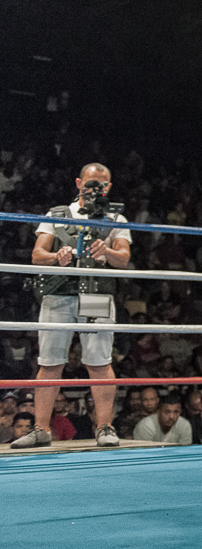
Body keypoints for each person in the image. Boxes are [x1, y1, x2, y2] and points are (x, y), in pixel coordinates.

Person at [14, 163, 131, 448]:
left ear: (109, 187)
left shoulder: (116, 217)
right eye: (91, 183)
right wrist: (58, 256)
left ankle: (104, 426)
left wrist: (108, 251)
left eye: (102, 185)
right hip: (59, 294)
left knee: (100, 362)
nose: (95, 189)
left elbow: (124, 259)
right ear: (79, 182)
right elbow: (37, 255)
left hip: (96, 295)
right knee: (50, 362)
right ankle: (41, 428)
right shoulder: (56, 215)